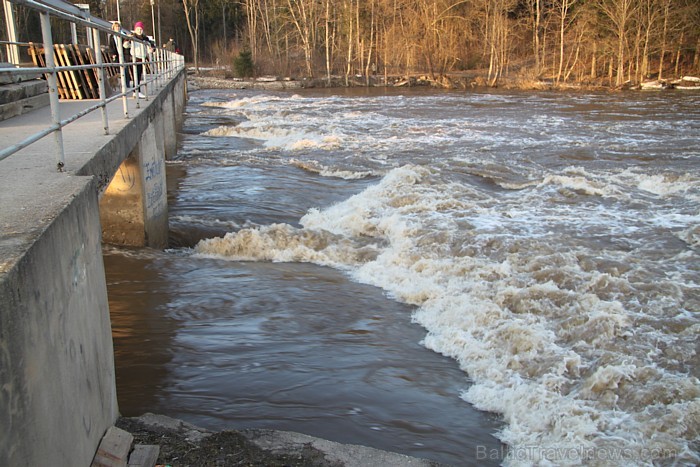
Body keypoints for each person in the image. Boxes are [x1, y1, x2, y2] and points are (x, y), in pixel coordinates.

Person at [129, 21, 155, 98]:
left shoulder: (145, 38)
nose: (139, 31)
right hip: (134, 57)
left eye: (140, 29)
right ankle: (136, 91)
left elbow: (151, 46)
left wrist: (152, 49)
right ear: (135, 29)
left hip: (141, 58)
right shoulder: (132, 37)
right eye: (138, 29)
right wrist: (127, 40)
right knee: (135, 75)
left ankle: (136, 91)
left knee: (139, 75)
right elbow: (125, 45)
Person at [108, 21, 131, 88]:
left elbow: (127, 45)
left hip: (124, 54)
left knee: (126, 69)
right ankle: (121, 85)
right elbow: (111, 46)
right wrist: (112, 54)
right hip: (117, 54)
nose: (117, 28)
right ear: (113, 28)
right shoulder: (112, 37)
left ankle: (127, 84)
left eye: (118, 27)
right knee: (119, 71)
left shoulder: (124, 35)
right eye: (116, 27)